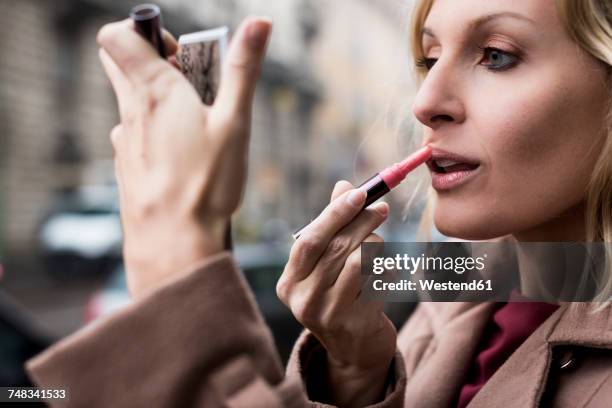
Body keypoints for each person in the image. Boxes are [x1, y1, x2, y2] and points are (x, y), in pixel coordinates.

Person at [25, 0, 612, 407]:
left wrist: (178, 265)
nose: (426, 100)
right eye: (429, 59)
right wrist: (355, 370)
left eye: (497, 54)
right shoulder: (460, 287)